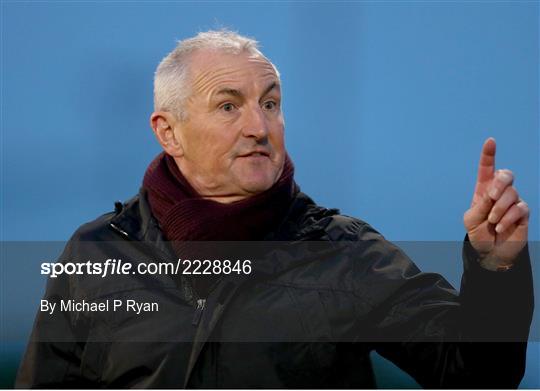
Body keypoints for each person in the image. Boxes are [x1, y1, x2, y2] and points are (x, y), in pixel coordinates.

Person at [16, 30, 533, 388]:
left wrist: (495, 269)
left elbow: (477, 374)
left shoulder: (346, 252)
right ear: (168, 131)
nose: (259, 127)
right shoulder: (96, 253)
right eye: (228, 106)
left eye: (270, 103)